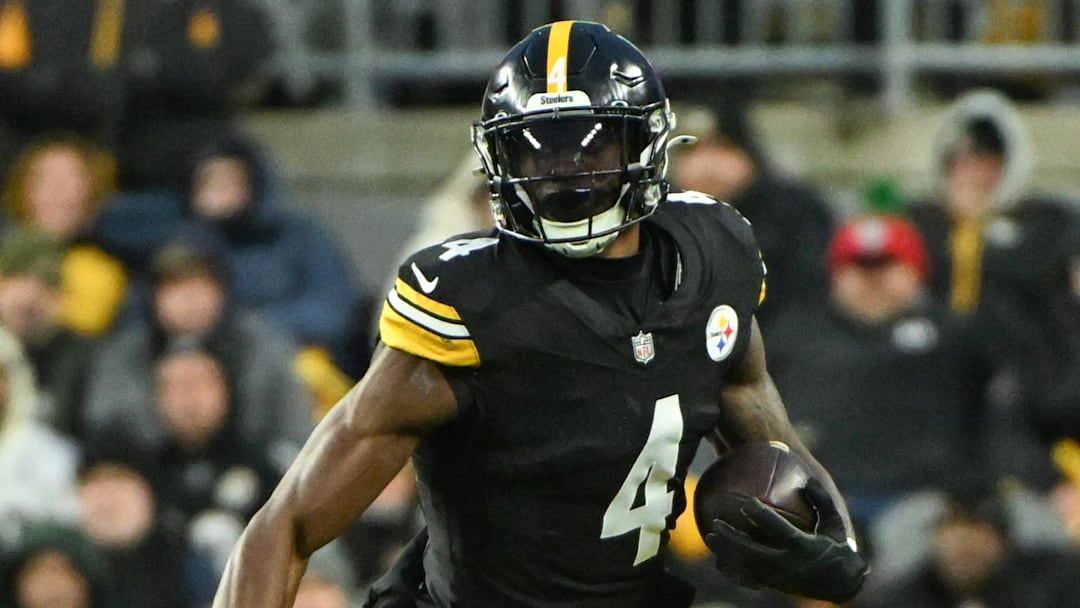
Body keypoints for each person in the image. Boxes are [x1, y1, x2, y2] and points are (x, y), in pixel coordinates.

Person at [212, 21, 868, 608]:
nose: (564, 174)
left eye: (590, 148)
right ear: (502, 161)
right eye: (539, 151)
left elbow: (776, 448)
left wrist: (837, 549)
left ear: (644, 147)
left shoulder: (710, 262)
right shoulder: (471, 309)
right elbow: (288, 524)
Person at [669, 101, 836, 332]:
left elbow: (810, 297)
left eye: (722, 148)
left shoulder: (794, 213)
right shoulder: (653, 217)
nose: (707, 165)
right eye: (691, 151)